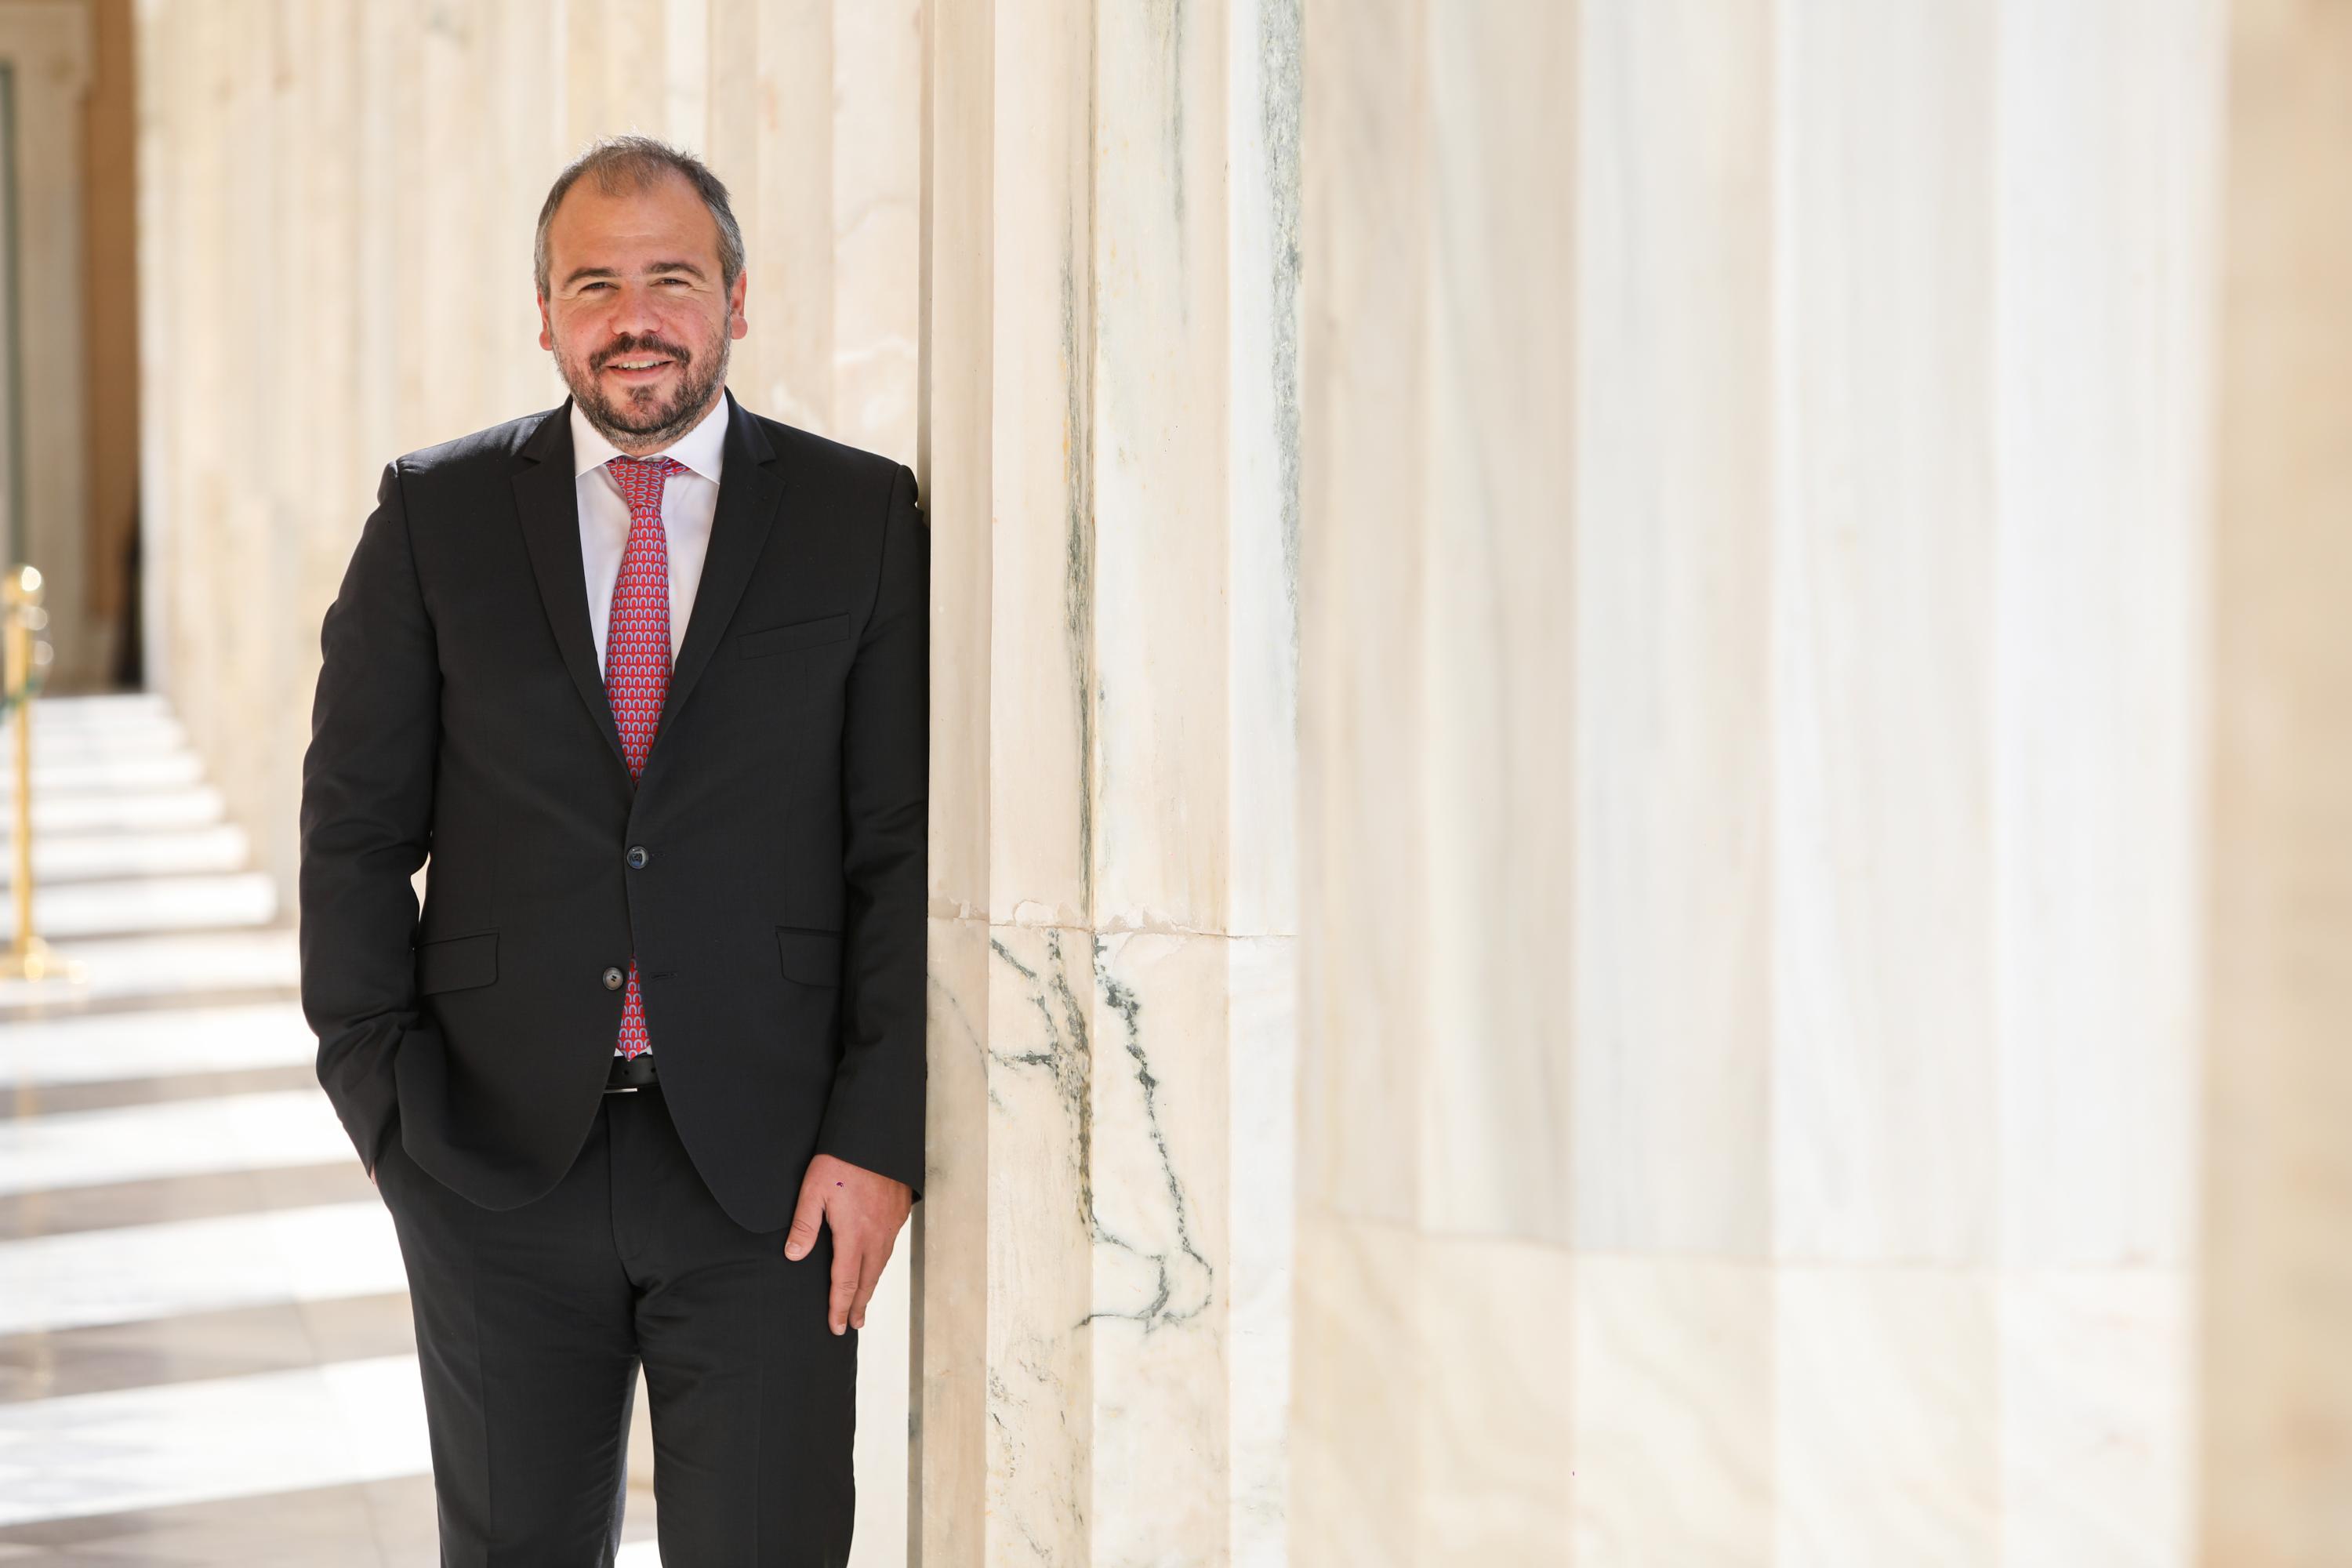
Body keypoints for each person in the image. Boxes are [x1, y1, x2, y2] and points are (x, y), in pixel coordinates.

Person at [298, 134, 927, 1566]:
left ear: (738, 299)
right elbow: (353, 833)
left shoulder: (858, 519)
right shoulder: (435, 516)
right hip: (493, 1164)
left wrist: (875, 1135)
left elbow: (897, 850)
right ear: (545, 315)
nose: (635, 319)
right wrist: (391, 1118)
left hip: (773, 1177)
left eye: (672, 280)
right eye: (594, 285)